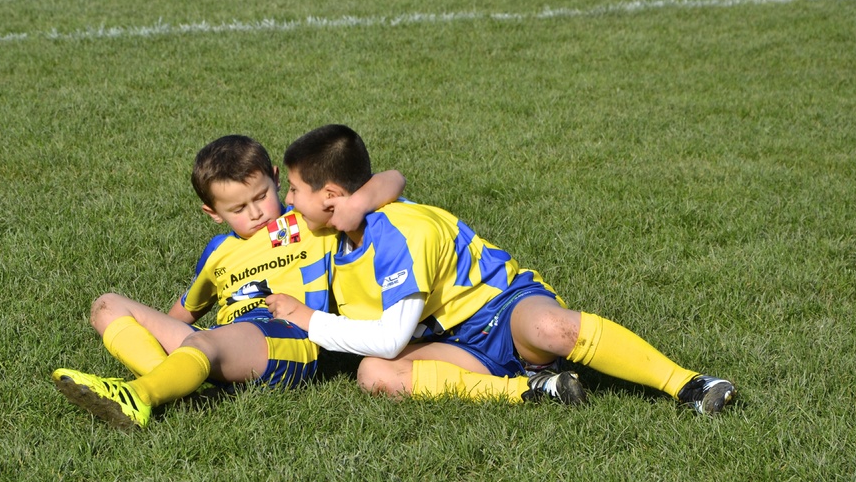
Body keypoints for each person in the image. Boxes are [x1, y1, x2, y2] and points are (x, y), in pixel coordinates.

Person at [266, 124, 736, 415]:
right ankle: (531, 390)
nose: (288, 199)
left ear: (332, 197)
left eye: (294, 189)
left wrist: (309, 320)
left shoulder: (403, 233)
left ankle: (688, 384)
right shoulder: (318, 226)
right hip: (453, 344)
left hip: (503, 309)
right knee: (374, 375)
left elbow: (391, 339)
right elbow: (255, 231)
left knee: (552, 328)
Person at [52, 134, 405, 430]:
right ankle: (178, 384)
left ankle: (139, 396)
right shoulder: (218, 252)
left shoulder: (307, 221)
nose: (256, 213)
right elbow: (180, 315)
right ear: (213, 213)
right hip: (227, 341)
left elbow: (392, 179)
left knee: (203, 343)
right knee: (107, 306)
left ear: (276, 179)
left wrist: (357, 205)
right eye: (238, 209)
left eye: (261, 196)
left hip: (287, 337)